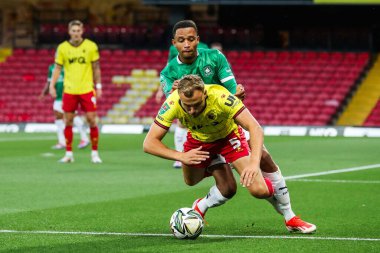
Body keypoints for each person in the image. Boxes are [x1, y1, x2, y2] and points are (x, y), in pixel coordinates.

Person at [159, 20, 316, 233]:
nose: (186, 44)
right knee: (224, 188)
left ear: (197, 40)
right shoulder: (168, 73)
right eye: (181, 40)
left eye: (190, 39)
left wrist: (234, 95)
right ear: (174, 43)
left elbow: (235, 93)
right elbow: (178, 106)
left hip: (228, 124)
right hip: (201, 135)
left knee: (263, 161)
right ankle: (201, 203)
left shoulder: (214, 58)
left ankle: (290, 216)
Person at [49, 20, 102, 163]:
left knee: (92, 120)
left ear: (82, 31)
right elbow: (57, 68)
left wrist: (99, 86)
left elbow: (96, 67)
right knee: (68, 122)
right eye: (73, 31)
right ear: (69, 31)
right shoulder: (62, 48)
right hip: (70, 90)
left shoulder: (91, 46)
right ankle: (68, 154)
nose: (76, 33)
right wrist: (51, 85)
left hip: (86, 89)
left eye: (78, 31)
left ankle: (95, 154)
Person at [39, 64, 90, 150]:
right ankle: (62, 142)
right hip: (58, 98)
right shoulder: (51, 68)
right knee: (59, 118)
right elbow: (49, 82)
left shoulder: (68, 67)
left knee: (73, 116)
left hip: (68, 95)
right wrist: (44, 93)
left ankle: (84, 139)